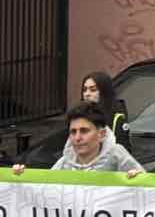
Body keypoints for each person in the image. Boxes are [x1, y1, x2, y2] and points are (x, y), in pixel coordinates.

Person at [11, 104, 142, 176]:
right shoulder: (65, 163)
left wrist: (137, 180)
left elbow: (147, 191)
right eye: (73, 132)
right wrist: (20, 178)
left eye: (84, 131)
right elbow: (44, 190)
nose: (77, 138)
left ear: (101, 134)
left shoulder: (117, 155)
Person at [78, 71, 131, 148]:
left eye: (93, 90)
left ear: (104, 91)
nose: (87, 94)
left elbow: (122, 149)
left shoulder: (116, 117)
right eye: (84, 90)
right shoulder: (79, 115)